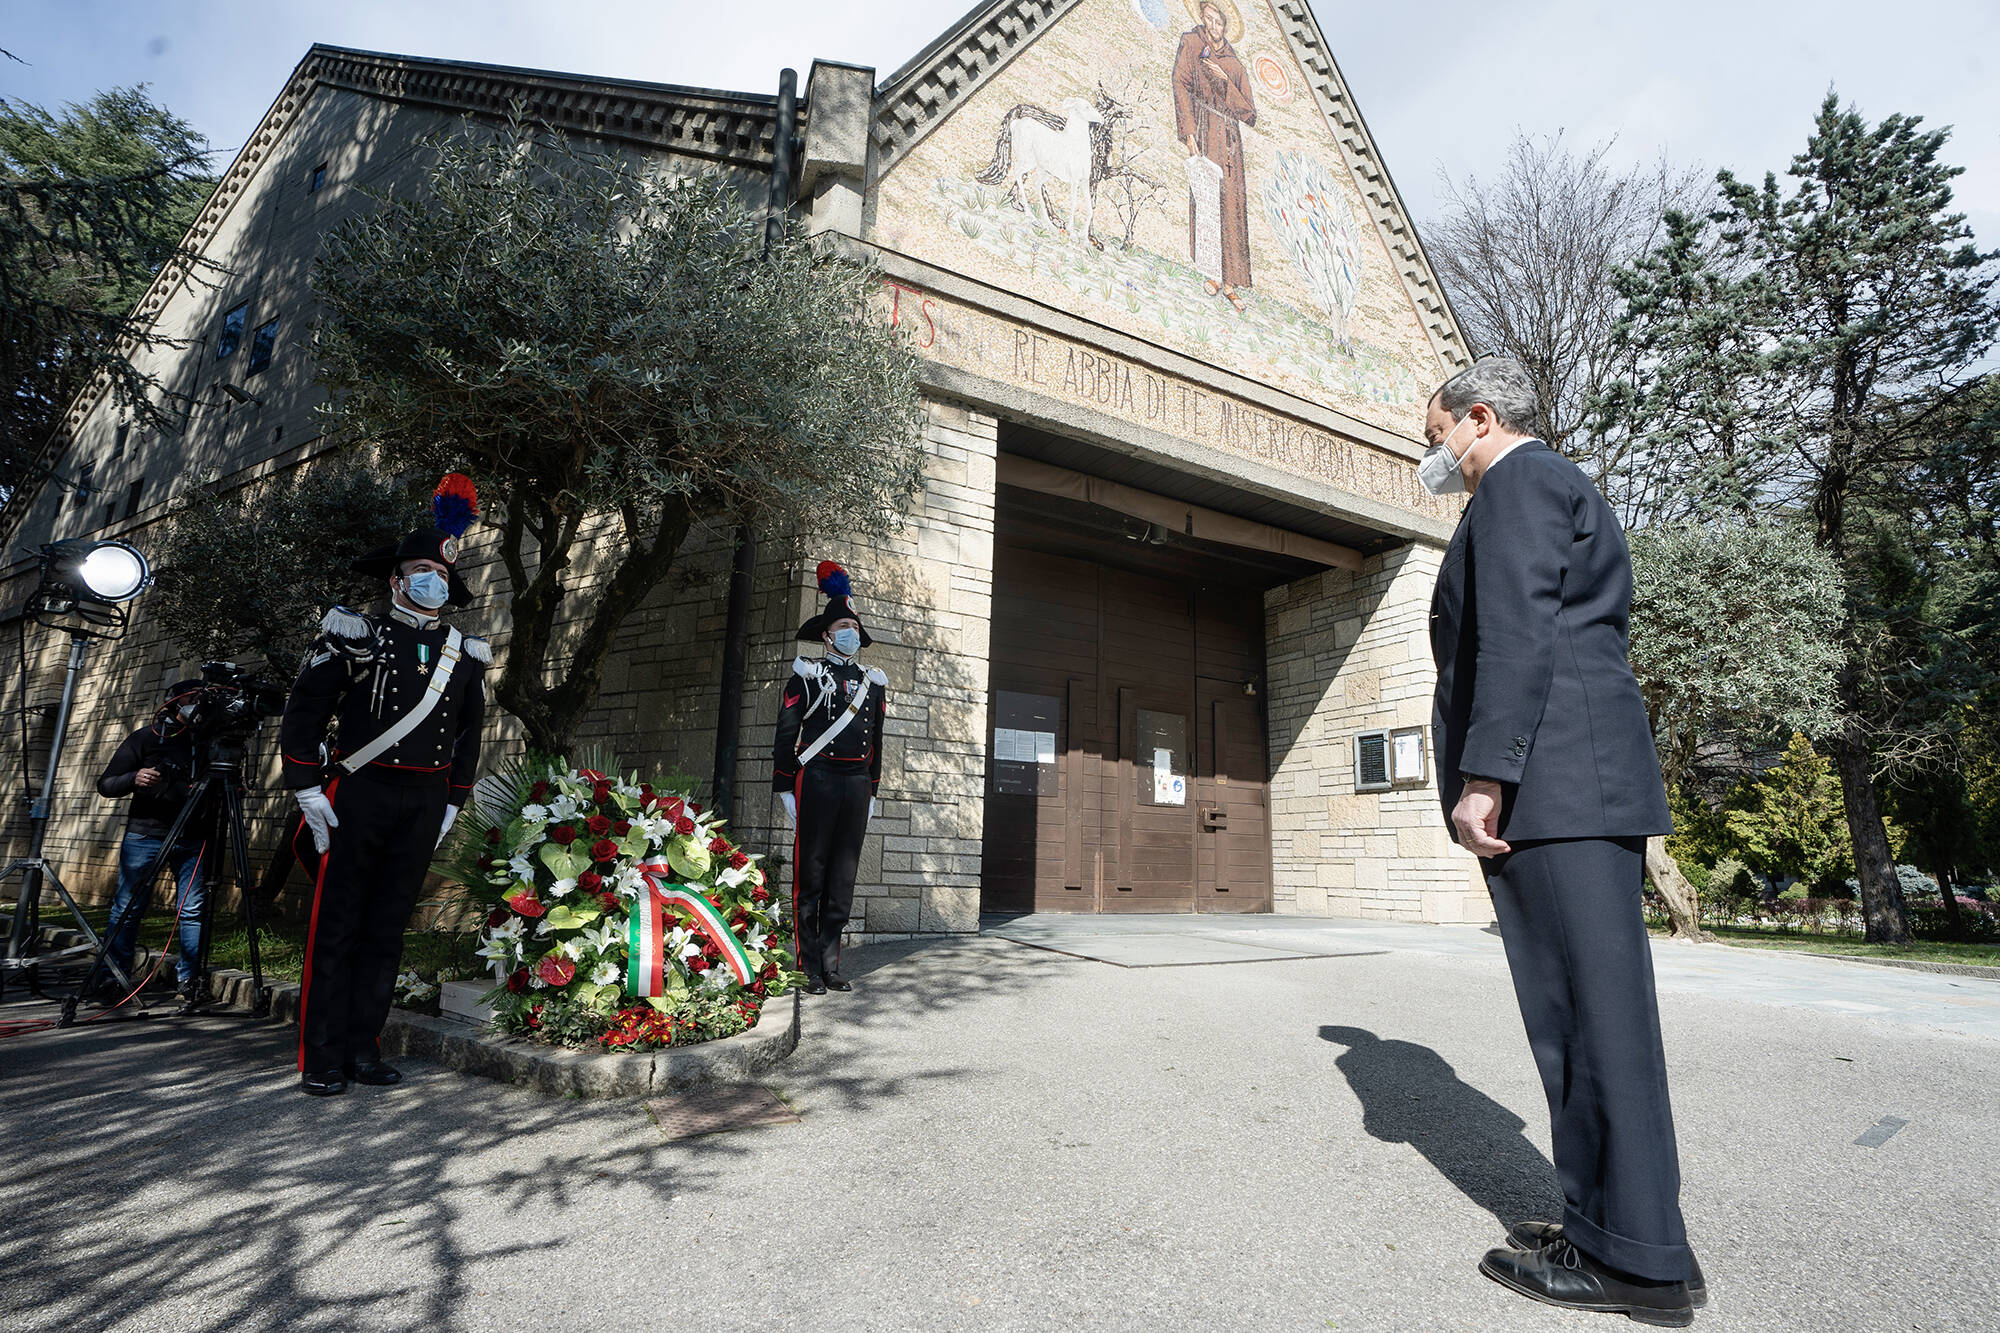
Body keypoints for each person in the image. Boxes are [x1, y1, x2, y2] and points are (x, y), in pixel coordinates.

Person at [1422, 357, 1704, 1325]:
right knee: (1590, 1019)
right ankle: (1616, 1230)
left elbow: (1514, 631)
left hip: (1555, 787)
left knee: (1587, 1021)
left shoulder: (1517, 482)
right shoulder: (1552, 485)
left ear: (1479, 418)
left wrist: (1483, 774)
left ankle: (1637, 1264)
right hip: (1578, 785)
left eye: (1437, 436)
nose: (1437, 456)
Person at [279, 475, 489, 1096]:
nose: (432, 581)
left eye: (441, 573)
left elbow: (468, 735)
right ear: (396, 578)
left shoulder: (464, 653)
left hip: (424, 800)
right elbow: (305, 711)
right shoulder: (357, 633)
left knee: (389, 926)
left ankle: (363, 1048)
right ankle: (321, 1055)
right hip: (359, 791)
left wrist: (454, 797)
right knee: (337, 923)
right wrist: (305, 786)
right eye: (420, 569)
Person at [772, 561, 886, 995]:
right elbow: (787, 731)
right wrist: (785, 784)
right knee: (811, 874)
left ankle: (832, 966)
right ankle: (808, 967)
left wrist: (872, 788)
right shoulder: (808, 675)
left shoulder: (871, 683)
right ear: (826, 634)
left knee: (843, 876)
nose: (850, 634)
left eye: (854, 628)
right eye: (842, 627)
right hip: (816, 778)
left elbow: (877, 739)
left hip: (855, 784)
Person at [93, 679, 207, 1003]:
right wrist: (135, 778)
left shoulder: (207, 742)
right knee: (127, 909)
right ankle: (112, 978)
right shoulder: (146, 738)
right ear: (173, 704)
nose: (197, 706)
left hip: (193, 838)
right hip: (145, 835)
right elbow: (106, 784)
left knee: (192, 910)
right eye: (192, 699)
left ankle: (189, 981)